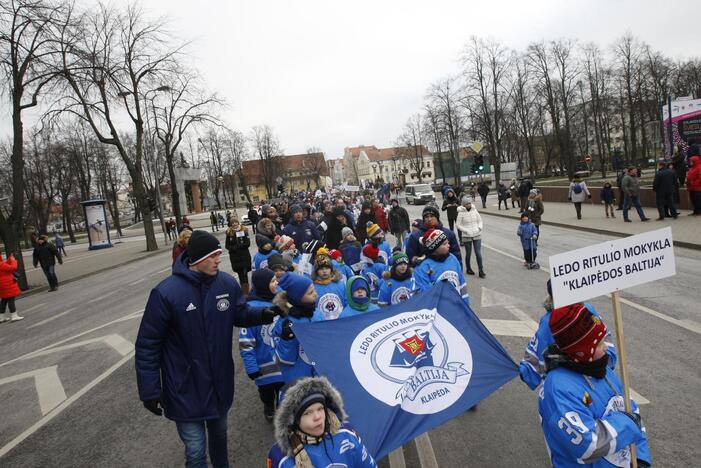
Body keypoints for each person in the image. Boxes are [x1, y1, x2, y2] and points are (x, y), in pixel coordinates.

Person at [135, 230, 281, 468]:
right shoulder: (165, 293)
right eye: (212, 256)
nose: (218, 260)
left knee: (220, 437)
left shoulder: (226, 283)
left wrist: (264, 314)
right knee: (195, 450)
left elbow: (239, 313)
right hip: (183, 385)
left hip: (218, 381)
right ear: (196, 259)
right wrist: (149, 390)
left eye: (218, 255)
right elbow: (147, 345)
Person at [538, 303, 651, 467]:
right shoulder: (558, 389)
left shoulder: (603, 370)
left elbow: (631, 410)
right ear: (581, 351)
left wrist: (640, 457)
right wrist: (627, 423)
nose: (606, 348)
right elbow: (587, 445)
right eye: (598, 344)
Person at [519, 281, 617, 391]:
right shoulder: (587, 310)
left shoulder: (548, 323)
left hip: (570, 384)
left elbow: (531, 366)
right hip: (583, 384)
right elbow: (608, 351)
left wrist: (525, 372)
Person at [267, 376, 377, 468]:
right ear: (292, 421)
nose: (317, 417)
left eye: (320, 408)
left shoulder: (346, 434)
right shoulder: (281, 456)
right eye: (307, 413)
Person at [240, 269, 284, 421]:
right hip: (263, 365)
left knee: (283, 391)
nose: (276, 283)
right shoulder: (251, 309)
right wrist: (251, 367)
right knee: (266, 392)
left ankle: (281, 410)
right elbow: (246, 342)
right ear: (263, 285)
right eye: (272, 281)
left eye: (275, 280)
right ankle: (268, 405)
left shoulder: (282, 300)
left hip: (282, 363)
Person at [271, 273, 323, 383]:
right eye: (310, 293)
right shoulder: (285, 322)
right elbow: (283, 359)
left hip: (320, 375)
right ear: (297, 298)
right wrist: (286, 340)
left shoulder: (317, 313)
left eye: (314, 290)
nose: (315, 294)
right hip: (298, 379)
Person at [413, 229, 469, 305]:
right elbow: (421, 294)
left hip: (456, 306)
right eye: (444, 244)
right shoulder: (423, 267)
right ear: (434, 247)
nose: (448, 245)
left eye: (448, 242)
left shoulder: (452, 259)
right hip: (436, 310)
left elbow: (461, 283)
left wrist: (466, 304)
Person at [311, 251, 346, 320]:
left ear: (331, 269)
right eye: (321, 269)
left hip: (341, 320)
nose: (324, 271)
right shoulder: (313, 287)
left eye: (327, 268)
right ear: (316, 271)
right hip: (322, 322)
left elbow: (346, 301)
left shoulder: (340, 284)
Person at [455, 197, 485, 278]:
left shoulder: (474, 210)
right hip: (466, 235)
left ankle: (481, 270)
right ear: (464, 205)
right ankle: (468, 268)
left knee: (478, 253)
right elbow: (458, 225)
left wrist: (479, 227)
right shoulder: (461, 213)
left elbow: (480, 220)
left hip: (477, 234)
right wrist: (465, 230)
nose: (468, 205)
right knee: (468, 253)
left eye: (469, 203)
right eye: (467, 204)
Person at [225, 218, 252, 295]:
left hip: (244, 257)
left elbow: (248, 243)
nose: (234, 224)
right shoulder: (229, 232)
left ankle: (246, 293)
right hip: (235, 258)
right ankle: (244, 292)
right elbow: (227, 245)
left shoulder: (244, 230)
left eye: (235, 222)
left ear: (238, 223)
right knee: (240, 275)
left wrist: (240, 246)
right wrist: (233, 248)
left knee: (244, 274)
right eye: (232, 223)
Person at [0, 250, 23, 322]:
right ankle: (14, 315)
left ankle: (2, 316)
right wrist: (13, 260)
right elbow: (13, 268)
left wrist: (10, 258)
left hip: (2, 284)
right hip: (6, 283)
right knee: (10, 299)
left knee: (4, 300)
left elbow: (5, 266)